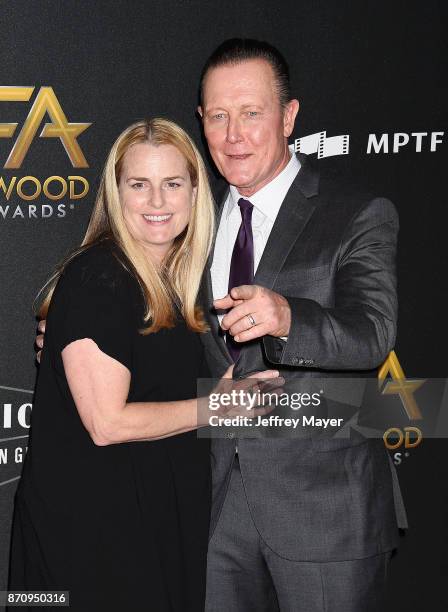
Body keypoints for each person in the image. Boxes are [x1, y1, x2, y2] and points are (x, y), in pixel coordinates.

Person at [10, 117, 278, 612]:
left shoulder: (179, 281)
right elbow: (107, 423)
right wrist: (213, 408)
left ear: (196, 191)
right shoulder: (100, 277)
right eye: (139, 185)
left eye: (173, 184)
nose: (157, 202)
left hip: (147, 521)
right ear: (116, 193)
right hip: (88, 543)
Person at [194, 39, 407, 611]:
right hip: (213, 512)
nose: (233, 134)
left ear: (289, 116)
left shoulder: (356, 212)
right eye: (218, 116)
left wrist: (290, 317)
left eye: (251, 113)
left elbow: (373, 331)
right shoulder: (187, 221)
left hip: (326, 511)